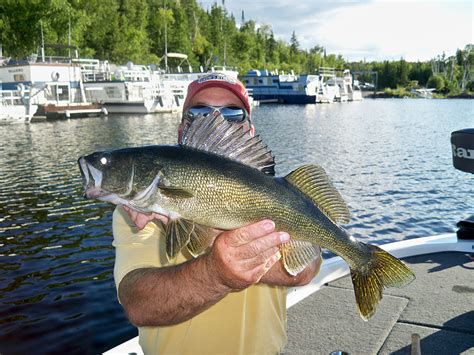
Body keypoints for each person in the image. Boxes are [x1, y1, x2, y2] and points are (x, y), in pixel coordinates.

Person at [112, 73, 322, 355]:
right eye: (198, 113)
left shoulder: (279, 194)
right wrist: (215, 273)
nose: (216, 121)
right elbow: (139, 304)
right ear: (181, 129)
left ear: (249, 129)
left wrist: (215, 240)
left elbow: (305, 268)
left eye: (233, 114)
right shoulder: (140, 205)